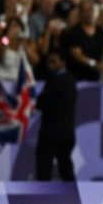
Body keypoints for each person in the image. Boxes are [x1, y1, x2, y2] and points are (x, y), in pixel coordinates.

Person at [35, 51, 77, 181]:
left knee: (45, 168)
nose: (50, 66)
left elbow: (42, 102)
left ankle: (42, 197)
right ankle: (73, 196)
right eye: (48, 62)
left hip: (50, 133)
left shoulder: (54, 80)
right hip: (67, 132)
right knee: (65, 166)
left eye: (53, 62)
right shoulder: (71, 80)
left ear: (62, 63)